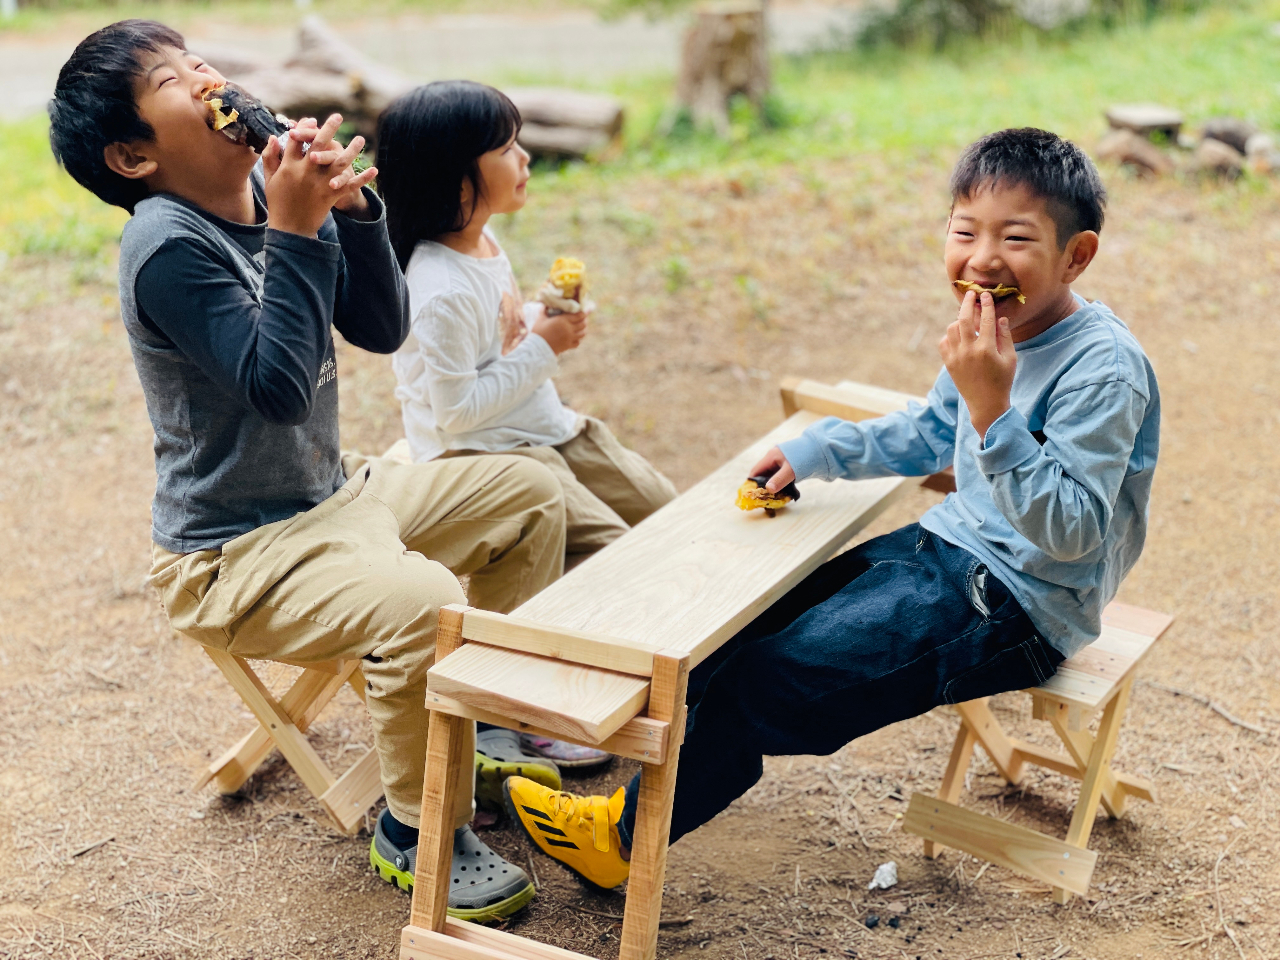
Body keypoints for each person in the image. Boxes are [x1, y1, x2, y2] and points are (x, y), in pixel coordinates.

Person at [501, 128, 1161, 889]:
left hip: (1022, 603)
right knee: (731, 635)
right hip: (947, 547)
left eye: (1015, 238)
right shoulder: (992, 326)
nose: (982, 258)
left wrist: (993, 414)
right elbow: (927, 428)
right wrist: (817, 453)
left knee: (772, 680)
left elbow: (1075, 534)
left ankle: (621, 841)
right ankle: (662, 792)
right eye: (964, 231)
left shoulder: (1103, 369)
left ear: (1076, 256)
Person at [49, 20, 566, 921]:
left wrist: (355, 214)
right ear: (133, 156)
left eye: (198, 60)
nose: (206, 78)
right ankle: (414, 825)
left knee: (528, 494)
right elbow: (277, 392)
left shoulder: (261, 187)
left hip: (338, 495)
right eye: (172, 79)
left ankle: (469, 722)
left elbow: (381, 327)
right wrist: (295, 229)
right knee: (421, 602)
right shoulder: (168, 247)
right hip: (238, 551)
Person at [376, 81, 678, 570]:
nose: (526, 157)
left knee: (669, 513)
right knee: (623, 558)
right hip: (482, 453)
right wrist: (544, 347)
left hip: (535, 426)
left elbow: (498, 342)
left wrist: (545, 318)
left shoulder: (481, 238)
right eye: (506, 148)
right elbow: (456, 413)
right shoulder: (441, 288)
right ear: (455, 178)